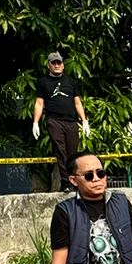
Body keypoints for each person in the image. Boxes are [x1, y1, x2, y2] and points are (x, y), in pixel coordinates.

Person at [33, 52, 89, 192]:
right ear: (49, 65)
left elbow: (77, 103)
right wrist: (35, 122)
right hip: (54, 120)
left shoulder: (70, 82)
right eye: (54, 63)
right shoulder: (43, 82)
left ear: (63, 65)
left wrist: (84, 121)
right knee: (60, 150)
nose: (57, 65)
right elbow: (39, 104)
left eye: (59, 63)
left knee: (73, 153)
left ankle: (74, 180)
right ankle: (65, 182)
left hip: (71, 121)